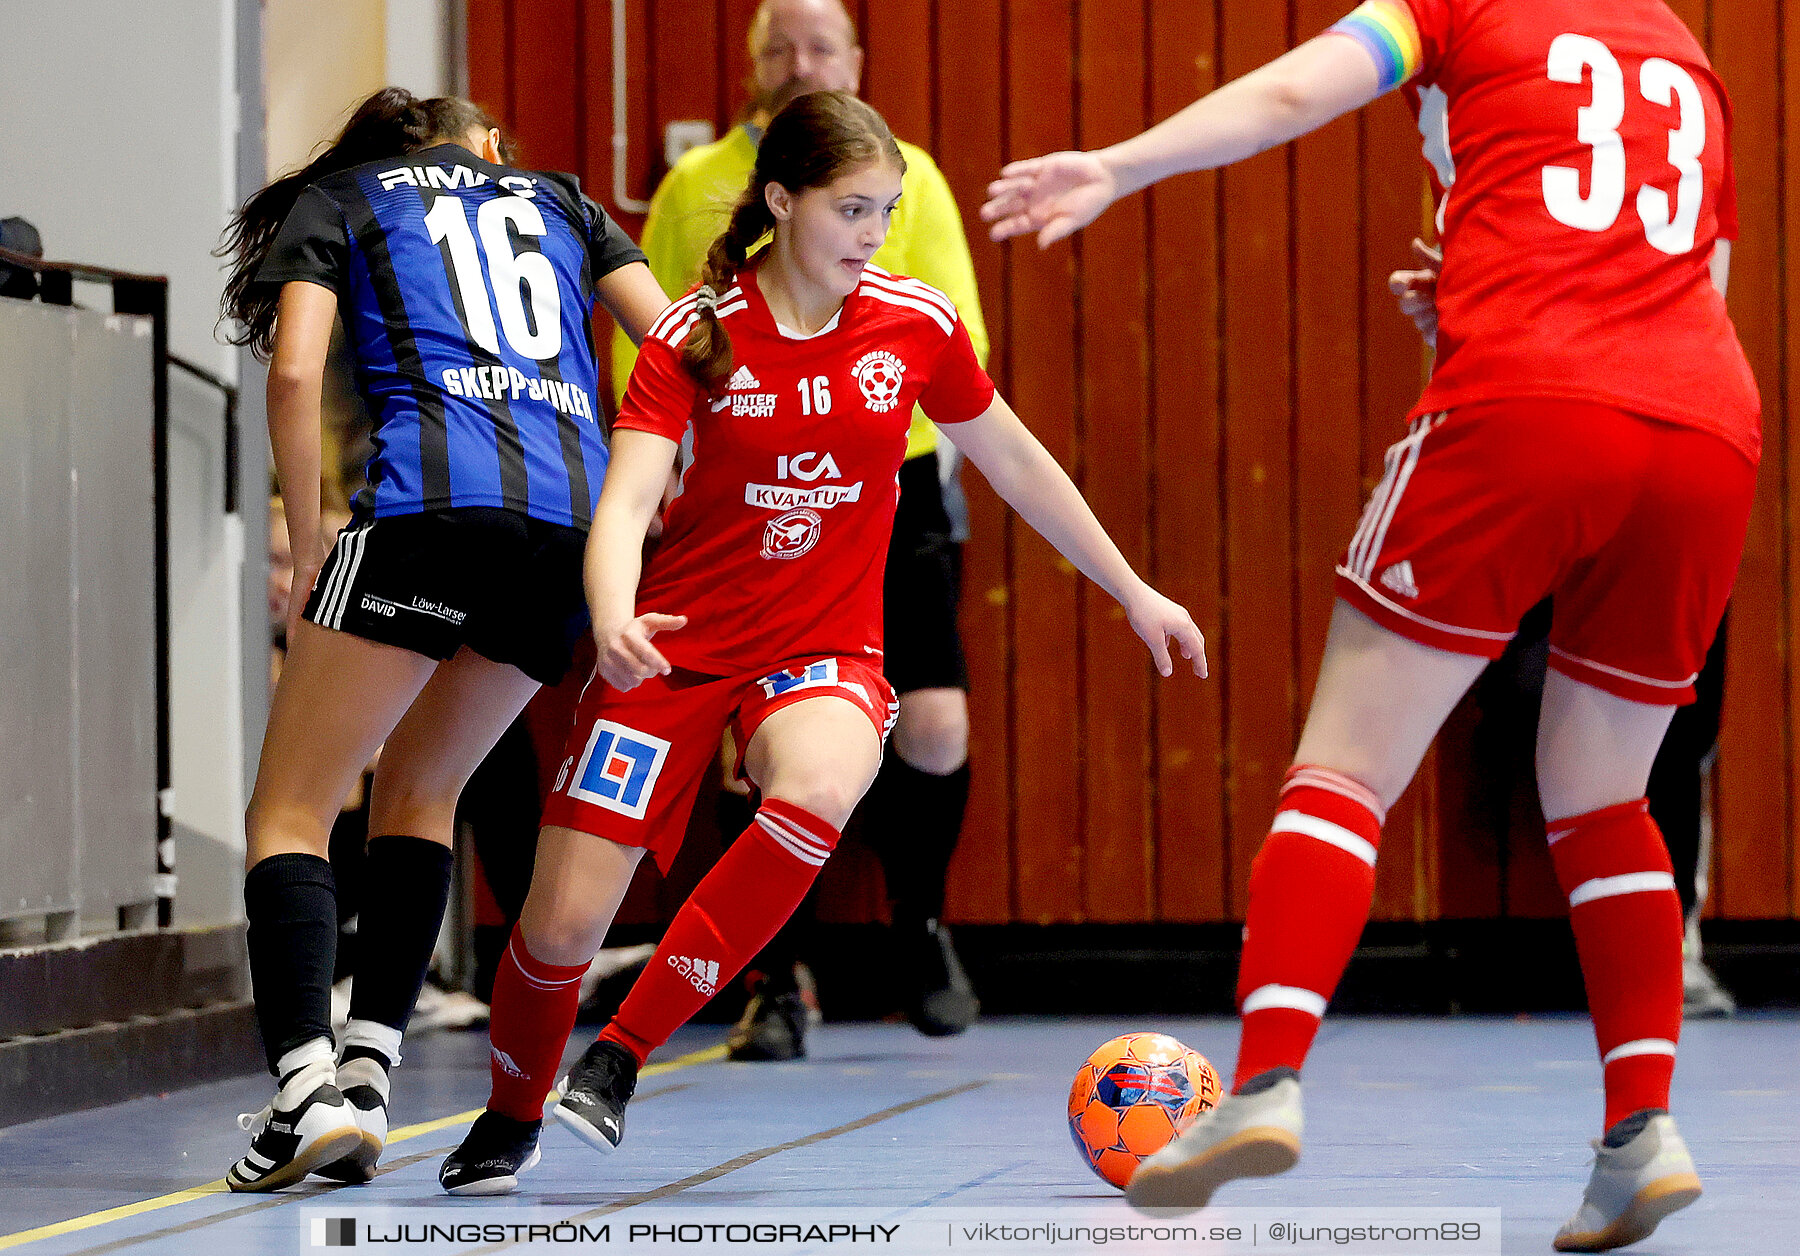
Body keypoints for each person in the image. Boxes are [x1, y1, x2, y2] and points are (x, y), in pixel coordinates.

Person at [985, 1, 1757, 1249]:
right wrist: (1479, 288)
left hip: (1525, 395)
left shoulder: (1455, 5)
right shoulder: (1683, 47)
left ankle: (1269, 1081)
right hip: (1705, 427)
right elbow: (1693, 283)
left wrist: (1117, 164)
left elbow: (1294, 94)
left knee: (1343, 766)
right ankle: (1642, 1130)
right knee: (1609, 797)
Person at [438, 90, 1206, 1195]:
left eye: (886, 210)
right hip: (678, 646)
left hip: (824, 650)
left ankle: (620, 1054)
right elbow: (626, 501)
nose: (871, 233)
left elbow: (1019, 462)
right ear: (782, 201)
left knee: (821, 787)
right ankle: (513, 1113)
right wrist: (611, 615)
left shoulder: (916, 325)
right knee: (556, 929)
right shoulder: (694, 338)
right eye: (852, 208)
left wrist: (1132, 589)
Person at [217, 86, 668, 1192]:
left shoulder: (345, 196)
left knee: (290, 808)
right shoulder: (561, 197)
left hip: (427, 512)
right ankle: (370, 1075)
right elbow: (678, 351)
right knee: (425, 789)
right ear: (490, 148)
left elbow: (290, 372)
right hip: (570, 527)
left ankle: (301, 1090)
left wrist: (315, 531)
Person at [614, 0, 993, 1055]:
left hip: (890, 482)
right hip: (735, 494)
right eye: (779, 45)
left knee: (934, 722)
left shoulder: (906, 178)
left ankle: (921, 926)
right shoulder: (695, 189)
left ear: (855, 61)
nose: (800, 60)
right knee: (745, 751)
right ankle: (770, 981)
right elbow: (650, 356)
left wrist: (846, 425)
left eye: (821, 45)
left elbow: (958, 336)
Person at [1391, 245, 1739, 1020]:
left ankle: (1671, 946)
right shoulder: (1538, 224)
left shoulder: (1684, 226)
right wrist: (1468, 329)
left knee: (1674, 732)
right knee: (1541, 708)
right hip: (1553, 492)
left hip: (1670, 470)